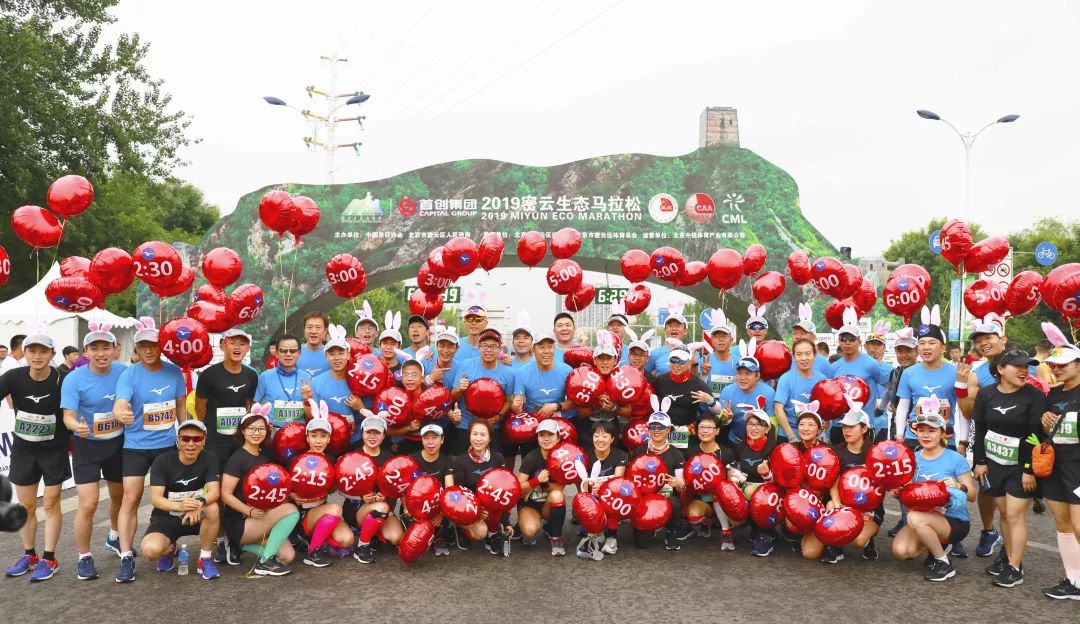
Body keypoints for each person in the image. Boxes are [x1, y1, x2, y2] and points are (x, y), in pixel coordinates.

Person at [111, 318, 187, 582]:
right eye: (142, 345)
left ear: (161, 347)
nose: (148, 350)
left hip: (166, 446)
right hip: (135, 447)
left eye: (153, 345)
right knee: (131, 498)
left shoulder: (174, 372)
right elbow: (120, 403)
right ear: (136, 348)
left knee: (166, 499)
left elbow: (180, 406)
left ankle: (167, 546)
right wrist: (120, 413)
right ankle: (126, 556)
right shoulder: (129, 374)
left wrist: (185, 432)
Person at [971, 349, 1046, 587]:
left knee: (1014, 514)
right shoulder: (986, 394)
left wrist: (1028, 469)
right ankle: (1009, 558)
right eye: (1018, 366)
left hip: (1021, 466)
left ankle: (1015, 566)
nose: (1024, 371)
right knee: (1004, 514)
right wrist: (980, 461)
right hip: (994, 463)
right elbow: (979, 429)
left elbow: (1036, 435)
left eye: (1027, 366)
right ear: (1001, 369)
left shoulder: (1034, 396)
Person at [0, 329, 68, 581]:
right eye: (32, 351)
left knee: (50, 503)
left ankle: (50, 558)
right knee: (26, 506)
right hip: (24, 450)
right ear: (25, 353)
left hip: (54, 450)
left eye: (43, 351)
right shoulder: (13, 377)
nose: (37, 356)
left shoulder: (63, 378)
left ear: (52, 354)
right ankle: (30, 555)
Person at [60, 324, 126, 581]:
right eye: (94, 348)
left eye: (106, 347)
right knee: (88, 504)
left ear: (115, 350)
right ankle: (84, 556)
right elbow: (68, 416)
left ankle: (114, 536)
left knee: (120, 498)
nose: (101, 353)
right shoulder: (74, 379)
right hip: (86, 446)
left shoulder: (124, 372)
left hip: (117, 444)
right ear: (85, 351)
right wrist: (75, 426)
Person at [194, 327, 259, 561]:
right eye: (232, 342)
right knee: (219, 492)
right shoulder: (209, 375)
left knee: (239, 491)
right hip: (215, 443)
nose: (237, 347)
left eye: (242, 343)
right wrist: (210, 434)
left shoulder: (251, 375)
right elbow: (200, 409)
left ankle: (236, 536)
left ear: (248, 347)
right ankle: (221, 539)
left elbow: (249, 406)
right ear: (223, 345)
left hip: (239, 443)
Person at [891, 406, 976, 582]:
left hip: (953, 521)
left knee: (913, 517)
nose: (926, 435)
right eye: (921, 430)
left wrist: (958, 485)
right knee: (902, 551)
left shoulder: (956, 459)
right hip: (924, 516)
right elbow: (909, 492)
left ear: (943, 433)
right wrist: (898, 492)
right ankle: (937, 546)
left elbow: (972, 496)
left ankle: (943, 562)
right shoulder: (912, 459)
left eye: (932, 431)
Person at [219, 405, 299, 576]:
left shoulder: (265, 455)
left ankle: (243, 546)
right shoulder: (237, 458)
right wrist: (248, 510)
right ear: (242, 431)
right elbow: (225, 495)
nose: (257, 433)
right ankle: (264, 563)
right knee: (291, 511)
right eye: (251, 428)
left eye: (261, 429)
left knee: (288, 556)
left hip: (263, 515)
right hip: (241, 521)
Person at [140, 420, 222, 581]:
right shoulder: (162, 461)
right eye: (185, 439)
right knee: (150, 551)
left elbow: (214, 492)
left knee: (213, 508)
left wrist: (199, 502)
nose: (191, 444)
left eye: (197, 439)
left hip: (196, 514)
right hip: (168, 516)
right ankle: (169, 548)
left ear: (204, 441)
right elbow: (156, 499)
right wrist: (182, 506)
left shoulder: (210, 458)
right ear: (178, 440)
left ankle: (205, 558)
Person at [1039, 325, 1080, 599]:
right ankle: (1073, 581)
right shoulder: (1053, 393)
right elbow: (1049, 428)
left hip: (1078, 467)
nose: (1056, 368)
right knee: (1063, 524)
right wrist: (1045, 422)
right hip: (1055, 466)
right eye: (1053, 364)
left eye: (1063, 364)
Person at [894, 307, 965, 453]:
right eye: (922, 343)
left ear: (943, 347)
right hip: (914, 437)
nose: (926, 347)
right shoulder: (909, 373)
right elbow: (903, 405)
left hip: (945, 438)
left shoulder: (956, 372)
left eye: (932, 343)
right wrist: (899, 434)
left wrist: (963, 441)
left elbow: (962, 409)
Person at [291, 415, 354, 568]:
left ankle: (313, 540)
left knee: (347, 539)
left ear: (329, 439)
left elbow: (332, 490)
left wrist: (339, 475)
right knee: (335, 509)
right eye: (314, 436)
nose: (318, 441)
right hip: (302, 515)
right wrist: (291, 495)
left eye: (323, 436)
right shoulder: (297, 460)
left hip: (322, 511)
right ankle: (313, 552)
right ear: (307, 438)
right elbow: (283, 488)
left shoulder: (331, 460)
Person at [827, 403, 884, 562]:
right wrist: (837, 503)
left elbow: (884, 483)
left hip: (870, 508)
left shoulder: (875, 454)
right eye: (845, 427)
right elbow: (834, 482)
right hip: (846, 503)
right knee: (830, 506)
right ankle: (836, 545)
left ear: (864, 429)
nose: (846, 430)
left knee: (858, 541)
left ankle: (868, 542)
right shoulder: (837, 453)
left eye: (852, 427)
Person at [346, 413, 405, 565]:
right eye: (368, 432)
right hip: (356, 508)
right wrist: (360, 497)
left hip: (382, 508)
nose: (372, 436)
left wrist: (386, 496)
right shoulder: (353, 455)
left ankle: (374, 534)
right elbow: (340, 489)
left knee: (396, 537)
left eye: (377, 433)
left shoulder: (389, 457)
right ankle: (362, 546)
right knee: (382, 507)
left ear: (383, 436)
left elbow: (396, 489)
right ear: (362, 433)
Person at [509, 332, 573, 466]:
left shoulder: (566, 370)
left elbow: (573, 402)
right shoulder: (522, 372)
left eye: (550, 347)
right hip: (533, 423)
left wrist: (556, 406)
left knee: (558, 464)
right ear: (533, 351)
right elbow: (517, 402)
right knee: (531, 464)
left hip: (558, 422)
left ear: (554, 349)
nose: (546, 351)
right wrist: (516, 406)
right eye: (542, 347)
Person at [449, 329, 514, 456]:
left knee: (493, 464)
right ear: (479, 348)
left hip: (492, 427)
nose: (488, 350)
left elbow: (509, 400)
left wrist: (498, 417)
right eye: (484, 346)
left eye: (493, 346)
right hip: (466, 426)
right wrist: (459, 389)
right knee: (461, 464)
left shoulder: (508, 373)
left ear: (499, 349)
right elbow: (452, 397)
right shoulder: (466, 365)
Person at [830, 308, 889, 444]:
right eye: (843, 339)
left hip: (863, 425)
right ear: (839, 341)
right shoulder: (834, 367)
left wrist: (881, 408)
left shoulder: (870, 364)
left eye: (851, 339)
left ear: (860, 341)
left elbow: (888, 385)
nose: (847, 342)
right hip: (839, 425)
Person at [450, 421, 510, 554]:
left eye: (483, 435)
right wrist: (477, 510)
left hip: (491, 504)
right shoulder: (460, 460)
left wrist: (507, 523)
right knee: (480, 532)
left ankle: (492, 534)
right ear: (469, 436)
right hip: (470, 504)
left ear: (490, 438)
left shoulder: (498, 458)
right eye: (475, 434)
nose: (478, 438)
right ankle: (461, 529)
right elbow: (459, 495)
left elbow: (503, 491)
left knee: (497, 498)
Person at [630, 408, 686, 551]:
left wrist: (679, 484)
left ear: (668, 429)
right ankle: (652, 528)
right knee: (641, 545)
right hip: (644, 501)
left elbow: (682, 487)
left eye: (661, 426)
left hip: (666, 499)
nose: (656, 430)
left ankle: (670, 532)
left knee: (675, 502)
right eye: (653, 426)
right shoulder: (639, 451)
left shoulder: (676, 454)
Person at [651, 344, 723, 451]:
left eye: (681, 362)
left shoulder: (697, 384)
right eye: (673, 361)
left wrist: (710, 400)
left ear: (689, 362)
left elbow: (718, 411)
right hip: (664, 433)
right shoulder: (661, 380)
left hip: (689, 435)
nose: (676, 365)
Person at [684, 414, 738, 550]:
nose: (705, 431)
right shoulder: (691, 452)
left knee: (737, 518)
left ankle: (726, 532)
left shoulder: (727, 452)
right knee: (693, 515)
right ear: (697, 430)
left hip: (722, 499)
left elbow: (733, 481)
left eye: (709, 428)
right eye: (702, 427)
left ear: (717, 431)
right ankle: (706, 521)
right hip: (701, 498)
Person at [516, 420, 570, 556]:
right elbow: (517, 490)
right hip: (530, 504)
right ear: (537, 438)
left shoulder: (563, 458)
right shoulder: (531, 458)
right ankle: (521, 524)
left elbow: (560, 487)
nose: (546, 439)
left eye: (550, 434)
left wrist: (542, 485)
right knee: (529, 531)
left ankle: (556, 538)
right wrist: (536, 480)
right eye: (542, 435)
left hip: (548, 504)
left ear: (558, 438)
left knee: (557, 495)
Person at [307, 324, 363, 450]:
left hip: (355, 442)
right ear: (326, 357)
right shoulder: (316, 382)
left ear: (348, 355)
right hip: (327, 444)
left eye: (341, 353)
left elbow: (371, 416)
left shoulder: (359, 380)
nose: (337, 358)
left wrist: (360, 407)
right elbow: (311, 417)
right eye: (332, 354)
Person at [732, 409, 778, 556]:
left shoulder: (776, 449)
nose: (753, 428)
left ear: (767, 428)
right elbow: (737, 472)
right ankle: (754, 528)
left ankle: (765, 535)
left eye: (758, 424)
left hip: (770, 492)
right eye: (750, 424)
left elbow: (780, 481)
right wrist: (735, 478)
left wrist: (766, 475)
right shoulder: (740, 447)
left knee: (754, 493)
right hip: (747, 488)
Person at [579, 420, 628, 556]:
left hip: (612, 495)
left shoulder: (621, 455)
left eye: (605, 436)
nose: (600, 439)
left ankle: (612, 538)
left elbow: (618, 480)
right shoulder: (585, 456)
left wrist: (602, 488)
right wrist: (590, 491)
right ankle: (592, 534)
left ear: (612, 439)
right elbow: (583, 483)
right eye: (596, 436)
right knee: (584, 501)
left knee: (611, 502)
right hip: (592, 494)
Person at [411, 423, 455, 557]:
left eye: (434, 437)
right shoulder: (413, 459)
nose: (430, 442)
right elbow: (406, 489)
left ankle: (441, 536)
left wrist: (441, 514)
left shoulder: (447, 460)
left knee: (452, 503)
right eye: (426, 438)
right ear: (421, 440)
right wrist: (409, 510)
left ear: (442, 440)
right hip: (416, 507)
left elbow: (449, 490)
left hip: (437, 506)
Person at [719, 343, 776, 444]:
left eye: (748, 373)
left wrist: (771, 445)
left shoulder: (768, 393)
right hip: (734, 440)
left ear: (757, 375)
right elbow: (719, 422)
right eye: (739, 373)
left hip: (760, 442)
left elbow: (773, 423)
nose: (742, 378)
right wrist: (725, 418)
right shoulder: (727, 391)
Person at [773, 338, 827, 441]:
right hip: (788, 433)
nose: (803, 358)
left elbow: (826, 408)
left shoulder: (822, 379)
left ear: (815, 356)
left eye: (807, 354)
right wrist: (791, 436)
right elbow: (778, 408)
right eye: (799, 354)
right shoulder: (786, 379)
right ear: (793, 357)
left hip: (814, 435)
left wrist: (823, 426)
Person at [254, 333, 311, 428]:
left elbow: (312, 416)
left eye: (293, 351)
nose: (288, 354)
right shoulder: (265, 377)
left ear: (299, 353)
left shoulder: (306, 377)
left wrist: (306, 401)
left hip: (299, 432)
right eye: (283, 351)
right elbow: (254, 405)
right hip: (273, 432)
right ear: (276, 353)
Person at [386, 358, 426, 455]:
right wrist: (408, 428)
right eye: (406, 375)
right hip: (403, 443)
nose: (409, 378)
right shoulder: (395, 398)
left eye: (414, 375)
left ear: (422, 378)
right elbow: (388, 431)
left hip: (427, 443)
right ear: (401, 378)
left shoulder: (430, 396)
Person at [699, 309, 740, 397]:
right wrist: (704, 375)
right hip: (708, 404)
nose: (721, 339)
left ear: (731, 339)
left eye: (724, 336)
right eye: (716, 336)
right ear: (711, 340)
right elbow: (699, 388)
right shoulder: (704, 361)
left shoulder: (739, 362)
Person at [645, 302, 688, 376]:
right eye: (670, 326)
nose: (674, 328)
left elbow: (698, 379)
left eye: (678, 325)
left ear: (685, 331)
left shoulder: (692, 353)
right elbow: (645, 376)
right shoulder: (654, 354)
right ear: (665, 331)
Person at [790, 303, 830, 375]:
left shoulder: (823, 363)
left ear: (813, 337)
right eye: (795, 333)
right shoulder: (787, 360)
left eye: (802, 333)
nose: (797, 337)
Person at [297, 311, 330, 377]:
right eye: (309, 327)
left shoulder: (331, 354)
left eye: (318, 327)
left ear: (325, 331)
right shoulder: (294, 353)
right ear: (304, 329)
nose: (313, 331)